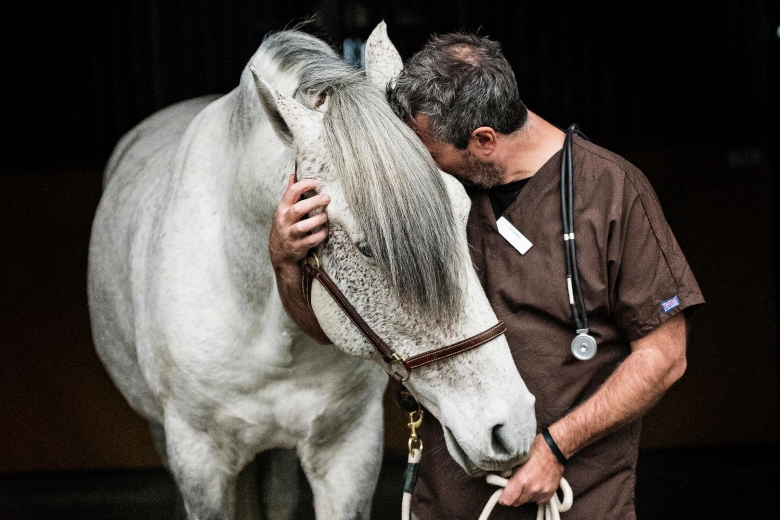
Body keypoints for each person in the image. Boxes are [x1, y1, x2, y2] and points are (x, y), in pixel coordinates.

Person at [269, 33, 704, 520]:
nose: (418, 168)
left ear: (483, 141)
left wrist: (557, 446)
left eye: (427, 152)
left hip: (580, 500)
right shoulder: (431, 200)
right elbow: (334, 331)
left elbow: (665, 357)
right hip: (449, 503)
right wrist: (286, 259)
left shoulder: (612, 192)